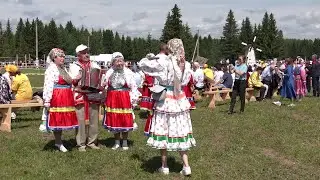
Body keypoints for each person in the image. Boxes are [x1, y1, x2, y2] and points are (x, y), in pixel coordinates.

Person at [138, 38, 196, 176]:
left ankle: (164, 167)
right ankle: (186, 166)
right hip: (179, 99)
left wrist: (150, 57)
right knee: (181, 129)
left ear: (169, 48)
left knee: (163, 130)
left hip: (166, 99)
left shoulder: (164, 61)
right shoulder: (186, 64)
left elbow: (143, 65)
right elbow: (186, 81)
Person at [43, 48, 79, 152]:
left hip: (66, 97)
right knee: (58, 120)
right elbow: (48, 85)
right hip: (58, 97)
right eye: (60, 56)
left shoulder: (63, 69)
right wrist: (47, 100)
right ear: (54, 58)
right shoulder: (51, 69)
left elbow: (69, 82)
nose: (63, 58)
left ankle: (59, 142)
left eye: (63, 56)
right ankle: (58, 142)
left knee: (63, 120)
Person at [101, 52, 139, 150]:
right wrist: (104, 85)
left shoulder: (128, 72)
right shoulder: (109, 72)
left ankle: (125, 142)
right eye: (117, 61)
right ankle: (117, 142)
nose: (119, 63)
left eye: (121, 61)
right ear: (113, 62)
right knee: (115, 119)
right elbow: (103, 85)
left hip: (124, 98)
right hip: (112, 98)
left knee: (125, 119)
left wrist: (133, 100)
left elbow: (134, 87)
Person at [69, 44, 102, 152]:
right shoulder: (74, 66)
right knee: (80, 120)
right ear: (78, 55)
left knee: (94, 119)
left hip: (93, 94)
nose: (87, 54)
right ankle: (81, 144)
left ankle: (92, 142)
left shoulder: (95, 65)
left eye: (87, 52)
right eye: (84, 53)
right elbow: (71, 82)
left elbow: (100, 78)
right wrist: (77, 79)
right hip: (80, 95)